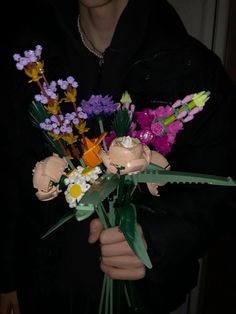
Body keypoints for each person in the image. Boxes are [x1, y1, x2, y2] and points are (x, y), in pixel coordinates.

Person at [1, 0, 236, 313]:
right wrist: (7, 277)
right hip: (40, 290)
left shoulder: (194, 71)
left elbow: (219, 190)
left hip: (136, 299)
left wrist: (155, 238)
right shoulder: (30, 60)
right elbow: (8, 172)